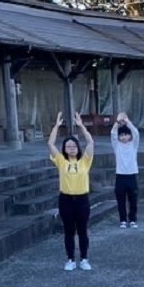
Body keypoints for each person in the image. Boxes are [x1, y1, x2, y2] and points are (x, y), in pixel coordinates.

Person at [48, 112, 94, 271]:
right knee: (68, 231)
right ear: (65, 149)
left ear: (77, 147)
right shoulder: (61, 160)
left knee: (82, 231)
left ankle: (84, 259)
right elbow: (51, 144)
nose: (72, 149)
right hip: (66, 200)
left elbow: (90, 142)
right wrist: (56, 126)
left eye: (74, 146)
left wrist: (81, 126)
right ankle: (70, 259)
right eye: (68, 146)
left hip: (82, 200)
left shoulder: (85, 160)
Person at [110, 111, 140, 228]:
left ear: (129, 136)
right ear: (119, 137)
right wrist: (118, 122)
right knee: (120, 200)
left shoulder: (133, 145)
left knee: (133, 200)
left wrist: (128, 122)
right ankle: (123, 220)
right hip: (120, 176)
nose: (124, 137)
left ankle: (132, 219)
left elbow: (136, 134)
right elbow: (113, 133)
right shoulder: (116, 145)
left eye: (126, 135)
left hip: (132, 176)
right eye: (121, 135)